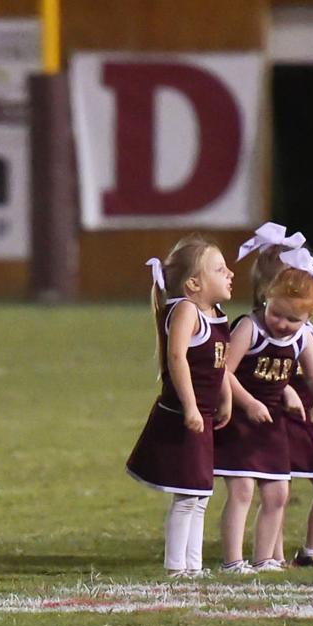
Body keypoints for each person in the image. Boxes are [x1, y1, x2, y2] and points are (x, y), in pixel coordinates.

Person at [125, 235, 234, 578]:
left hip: (203, 414)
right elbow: (177, 357)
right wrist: (189, 406)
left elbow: (220, 365)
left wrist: (226, 396)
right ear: (194, 283)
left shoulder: (215, 313)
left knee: (200, 495)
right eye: (219, 269)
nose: (230, 273)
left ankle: (194, 565)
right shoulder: (186, 310)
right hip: (185, 417)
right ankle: (177, 567)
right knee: (188, 496)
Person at [214, 260, 313, 574]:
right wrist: (249, 402)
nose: (281, 324)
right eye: (276, 313)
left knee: (278, 493)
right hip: (239, 418)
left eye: (293, 319)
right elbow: (224, 373)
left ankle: (265, 559)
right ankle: (233, 561)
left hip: (271, 423)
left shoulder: (302, 337)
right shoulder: (249, 327)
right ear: (267, 297)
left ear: (310, 316)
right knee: (242, 490)